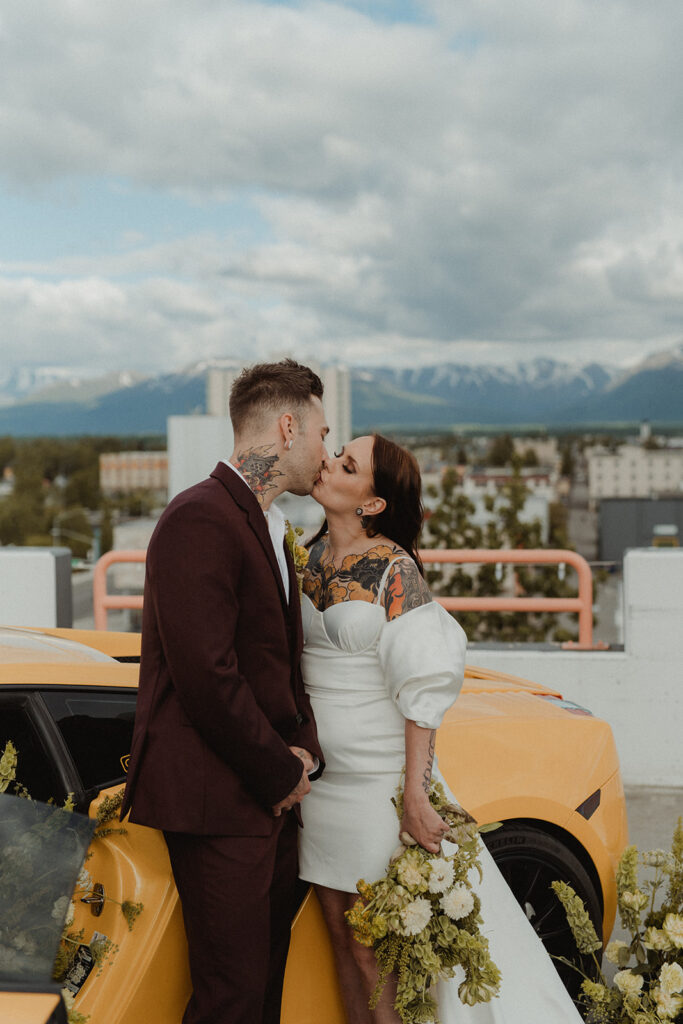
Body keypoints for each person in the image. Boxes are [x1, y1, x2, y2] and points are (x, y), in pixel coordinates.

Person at [298, 433, 585, 1023]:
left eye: (347, 465)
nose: (328, 464)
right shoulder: (307, 554)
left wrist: (414, 793)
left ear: (372, 503)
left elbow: (423, 688)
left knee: (374, 951)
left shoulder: (395, 570)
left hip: (377, 788)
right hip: (320, 788)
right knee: (337, 942)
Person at [121, 359, 329, 1024]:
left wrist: (304, 751)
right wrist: (278, 773)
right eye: (323, 434)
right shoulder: (199, 518)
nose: (327, 451)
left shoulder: (268, 524)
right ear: (287, 426)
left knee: (261, 988)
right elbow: (206, 675)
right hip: (217, 803)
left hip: (264, 800)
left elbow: (274, 663)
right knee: (229, 998)